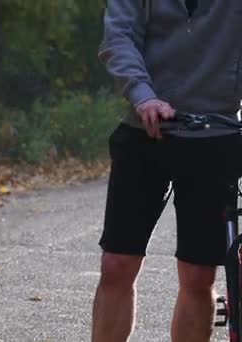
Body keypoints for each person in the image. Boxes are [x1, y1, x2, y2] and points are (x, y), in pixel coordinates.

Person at [92, 0, 242, 341]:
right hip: (145, 127)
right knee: (116, 263)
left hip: (215, 133)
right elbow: (119, 37)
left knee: (198, 274)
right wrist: (143, 96)